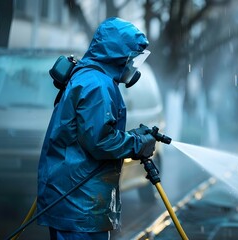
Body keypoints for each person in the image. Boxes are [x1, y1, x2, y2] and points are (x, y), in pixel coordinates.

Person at [37, 17, 157, 239]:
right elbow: (100, 141)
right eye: (132, 58)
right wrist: (137, 143)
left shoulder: (91, 76)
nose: (133, 66)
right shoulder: (97, 85)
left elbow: (91, 133)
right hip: (79, 201)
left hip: (73, 197)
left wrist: (131, 137)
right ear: (118, 56)